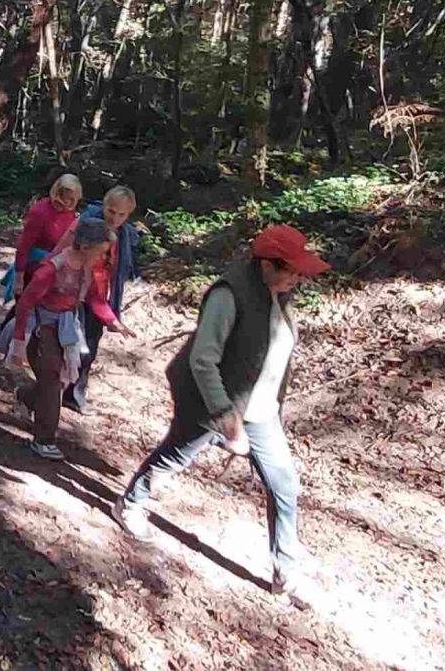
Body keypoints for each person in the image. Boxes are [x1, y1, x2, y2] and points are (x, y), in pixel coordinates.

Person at [110, 225, 330, 609]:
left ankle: (286, 573)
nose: (299, 277)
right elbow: (202, 359)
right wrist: (224, 416)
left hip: (260, 410)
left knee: (284, 486)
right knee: (176, 456)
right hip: (210, 401)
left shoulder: (280, 295)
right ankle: (130, 501)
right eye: (292, 270)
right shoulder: (228, 295)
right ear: (266, 264)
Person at [2, 218, 136, 459]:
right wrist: (19, 343)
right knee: (53, 382)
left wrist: (113, 322)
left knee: (58, 380)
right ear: (86, 248)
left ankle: (25, 395)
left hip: (66, 330)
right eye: (101, 252)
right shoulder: (51, 269)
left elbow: (95, 298)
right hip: (40, 329)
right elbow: (25, 304)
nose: (103, 258)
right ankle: (44, 440)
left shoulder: (86, 270)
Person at [55, 186, 141, 414]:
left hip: (99, 296)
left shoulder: (124, 235)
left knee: (90, 347)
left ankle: (73, 394)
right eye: (111, 211)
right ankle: (49, 392)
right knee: (72, 346)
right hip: (75, 294)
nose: (115, 218)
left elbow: (112, 274)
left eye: (122, 214)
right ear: (103, 206)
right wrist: (110, 317)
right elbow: (90, 277)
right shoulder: (89, 228)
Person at [3, 172, 83, 303]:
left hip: (55, 266)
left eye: (73, 200)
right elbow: (24, 245)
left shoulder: (70, 213)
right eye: (66, 197)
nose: (69, 203)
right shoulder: (40, 211)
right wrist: (19, 278)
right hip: (33, 266)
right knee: (24, 309)